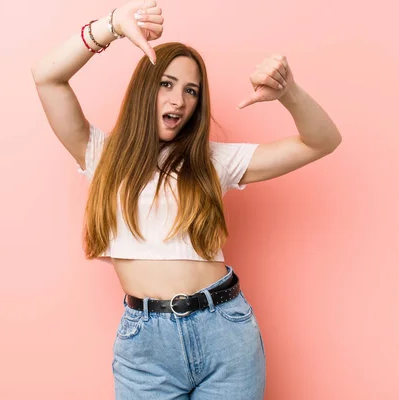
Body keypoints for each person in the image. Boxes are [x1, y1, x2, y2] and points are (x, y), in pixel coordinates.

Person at [31, 1, 341, 398]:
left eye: (191, 91)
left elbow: (322, 142)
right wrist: (111, 26)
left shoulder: (213, 161)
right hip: (145, 346)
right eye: (167, 84)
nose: (179, 99)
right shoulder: (101, 155)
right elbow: (46, 78)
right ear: (147, 86)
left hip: (224, 332)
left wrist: (289, 93)